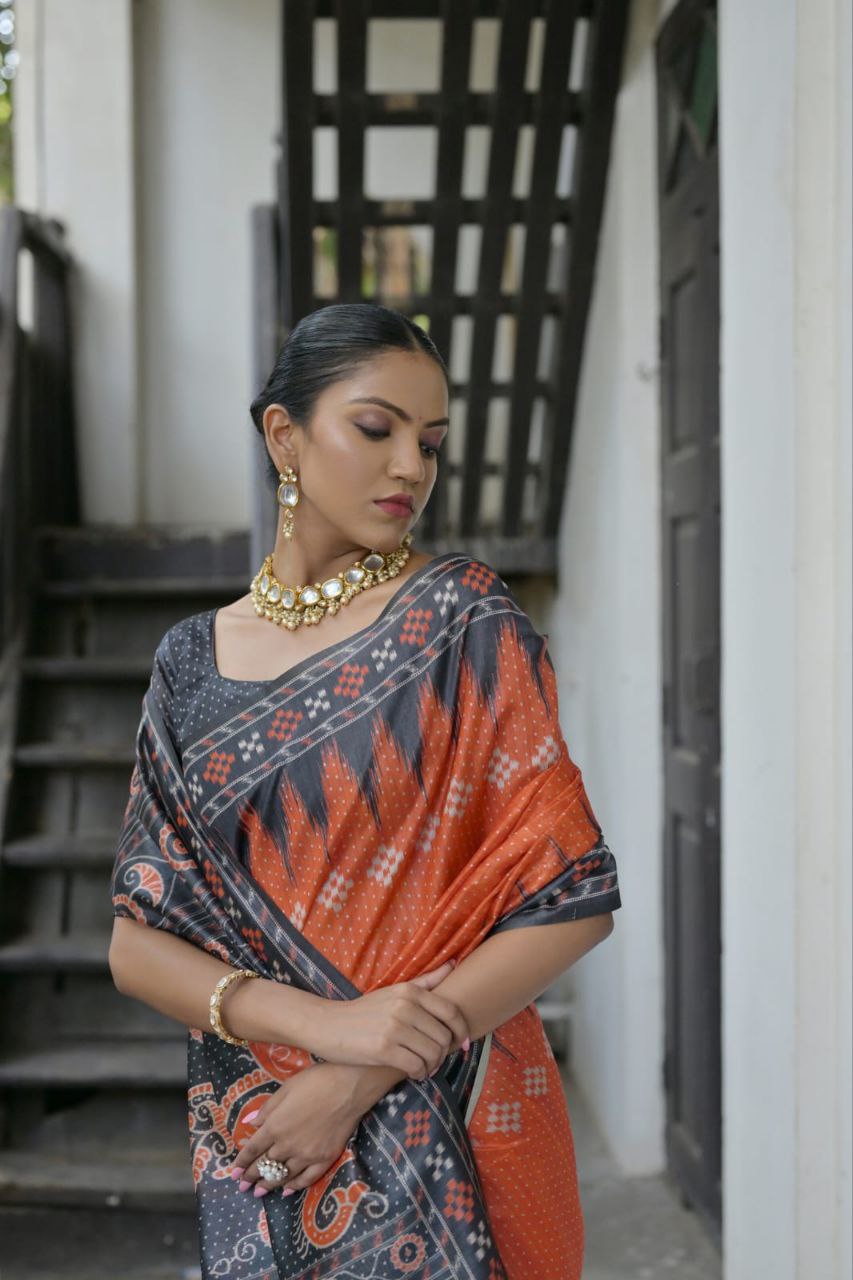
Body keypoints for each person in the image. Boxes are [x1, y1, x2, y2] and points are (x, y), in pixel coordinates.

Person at [109, 302, 622, 1280]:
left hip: (454, 1106)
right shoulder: (190, 663)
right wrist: (321, 1027)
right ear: (283, 435)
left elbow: (570, 895)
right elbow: (137, 944)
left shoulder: (463, 620)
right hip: (262, 1131)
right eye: (376, 428)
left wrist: (360, 1070)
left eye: (429, 444)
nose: (409, 470)